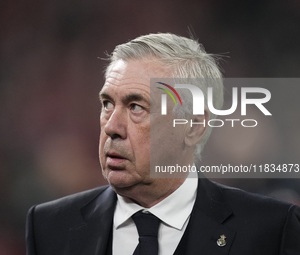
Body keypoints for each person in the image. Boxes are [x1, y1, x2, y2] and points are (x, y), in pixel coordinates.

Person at [26, 33, 300, 255]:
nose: (111, 127)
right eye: (107, 104)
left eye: (136, 107)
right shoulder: (49, 226)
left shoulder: (271, 229)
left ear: (192, 126)